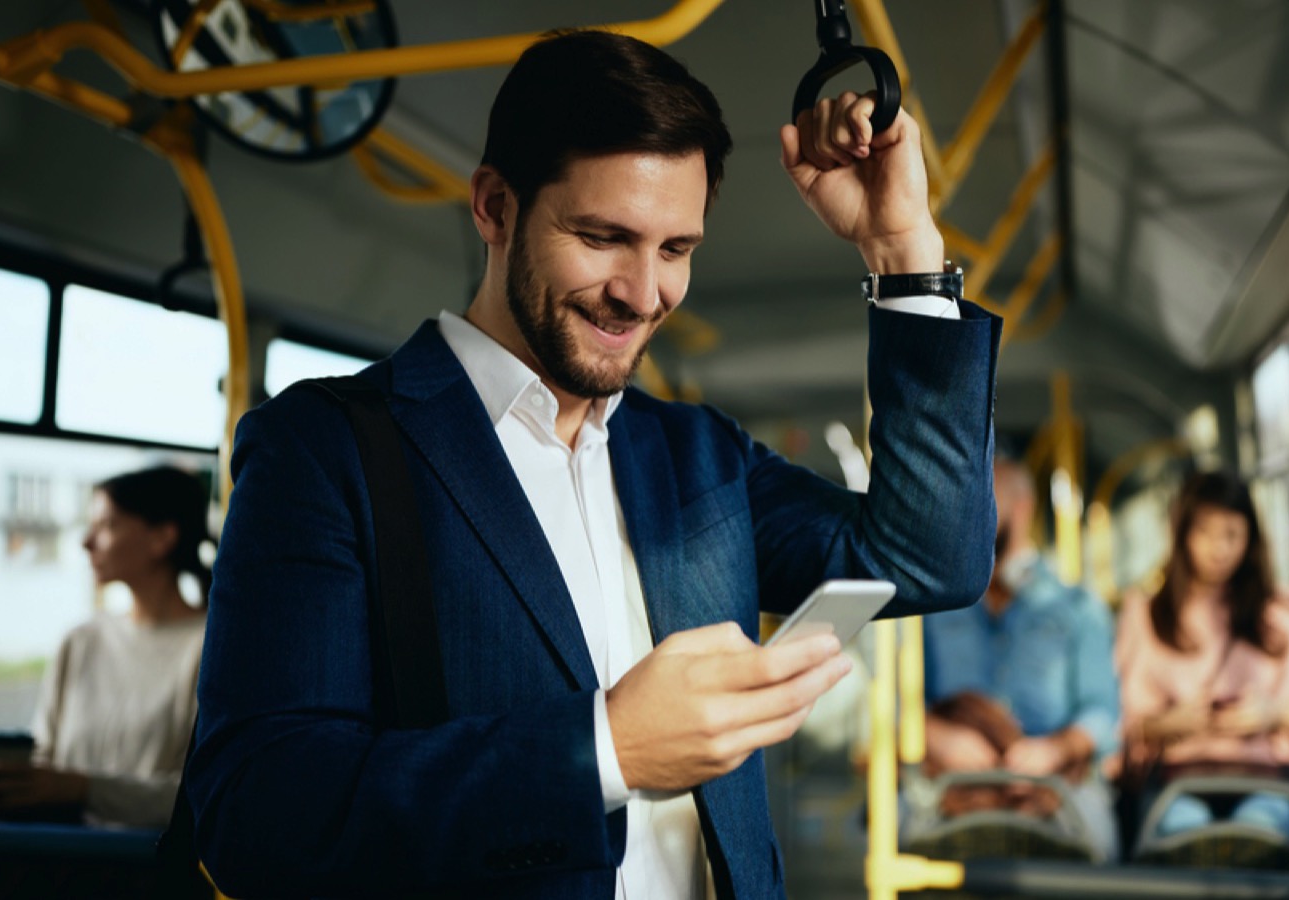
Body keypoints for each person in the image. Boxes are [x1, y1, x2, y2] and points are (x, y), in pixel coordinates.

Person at [187, 30, 1000, 899]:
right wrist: (604, 750)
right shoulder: (326, 450)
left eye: (676, 249)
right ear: (495, 207)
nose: (644, 293)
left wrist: (902, 250)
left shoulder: (697, 455)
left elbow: (928, 557)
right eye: (605, 236)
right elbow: (257, 811)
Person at [0, 465, 210, 828]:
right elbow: (46, 764)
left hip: (144, 871)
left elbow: (198, 798)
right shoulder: (81, 641)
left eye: (107, 526)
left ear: (162, 538)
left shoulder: (206, 648)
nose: (86, 541)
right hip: (61, 854)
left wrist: (80, 789)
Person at [1116, 469, 1289, 839]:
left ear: (1250, 539)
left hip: (1269, 780)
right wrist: (1169, 723)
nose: (1218, 549)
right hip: (1179, 780)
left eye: (1231, 535)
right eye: (1204, 533)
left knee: (1260, 829)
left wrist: (1273, 715)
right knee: (1183, 828)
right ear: (1181, 535)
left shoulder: (1282, 619)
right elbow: (1122, 722)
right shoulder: (1146, 616)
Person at [919, 458, 1121, 860]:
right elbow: (899, 702)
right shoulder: (931, 608)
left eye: (984, 501)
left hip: (1053, 784)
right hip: (953, 782)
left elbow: (1102, 711)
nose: (968, 516)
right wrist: (940, 737)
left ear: (1023, 507)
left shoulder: (1076, 606)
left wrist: (1055, 749)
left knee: (1093, 835)